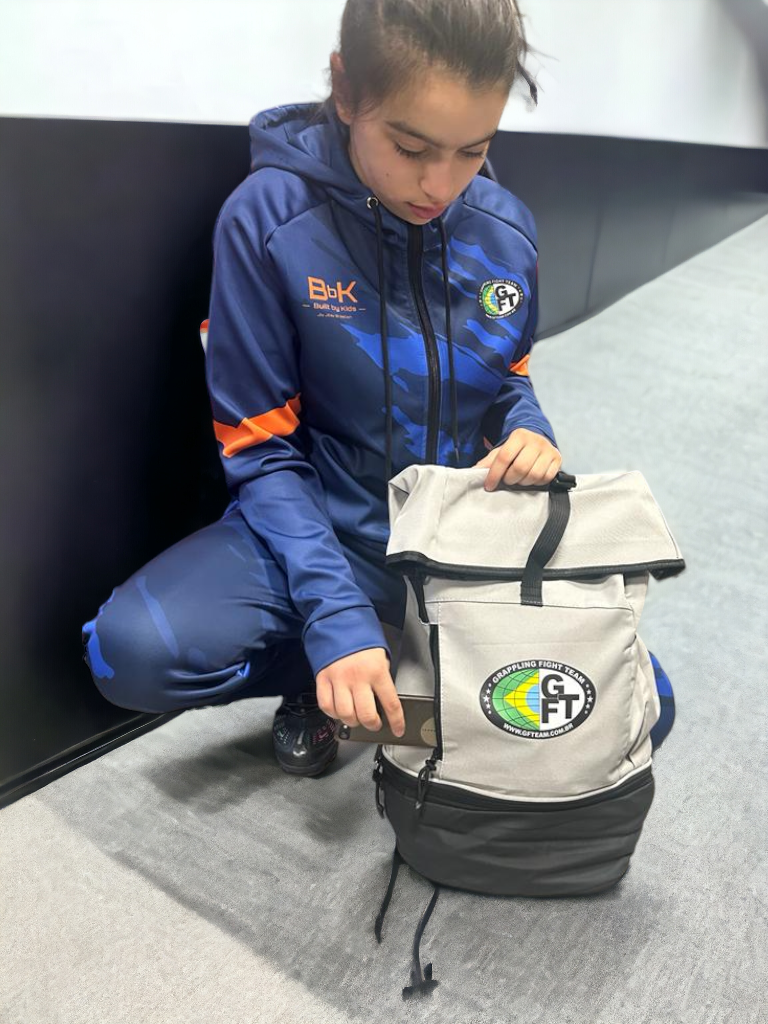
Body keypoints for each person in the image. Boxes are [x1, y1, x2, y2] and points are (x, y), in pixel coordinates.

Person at [81, 0, 675, 776]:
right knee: (130, 651)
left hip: (461, 536)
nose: (440, 183)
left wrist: (528, 429)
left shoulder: (507, 230)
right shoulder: (268, 220)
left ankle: (400, 681)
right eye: (410, 146)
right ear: (346, 90)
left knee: (639, 704)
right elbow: (261, 452)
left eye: (474, 150)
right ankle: (342, 677)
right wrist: (334, 616)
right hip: (322, 526)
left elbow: (508, 381)